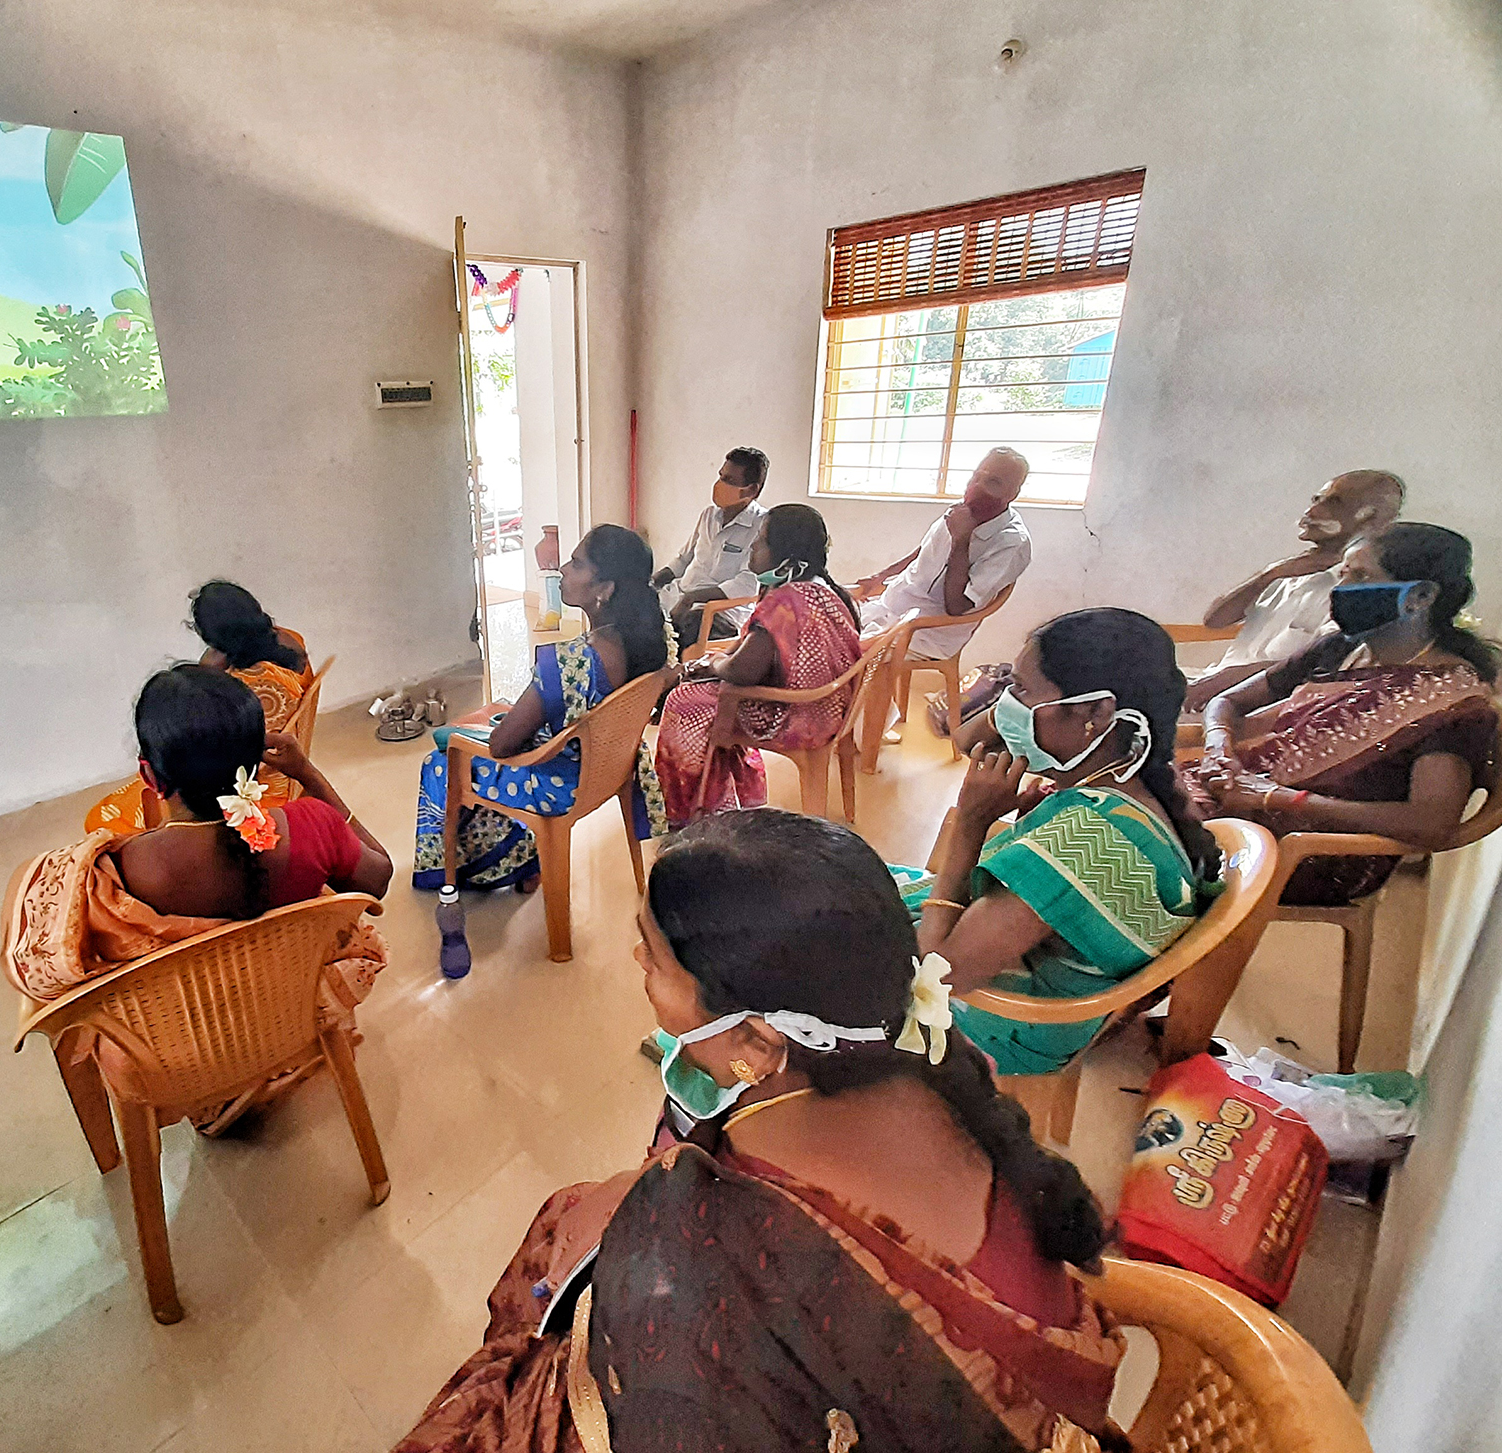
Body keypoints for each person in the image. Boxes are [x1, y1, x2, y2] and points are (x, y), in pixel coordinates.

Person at [396, 810, 1125, 1453]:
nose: (637, 962)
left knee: (559, 1234)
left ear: (755, 1039)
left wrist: (631, 1221)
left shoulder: (715, 1247)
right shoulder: (929, 1062)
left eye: (655, 958)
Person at [4, 665, 391, 1133]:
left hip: (185, 1050)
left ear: (149, 776)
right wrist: (309, 774)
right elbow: (378, 877)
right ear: (257, 764)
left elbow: (50, 969)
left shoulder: (118, 872)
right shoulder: (312, 826)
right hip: (291, 1015)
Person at [907, 609, 1221, 1076]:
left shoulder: (1086, 840)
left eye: (1021, 690)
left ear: (1096, 712)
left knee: (814, 935)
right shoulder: (1127, 787)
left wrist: (971, 826)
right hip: (1024, 973)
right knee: (839, 878)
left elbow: (935, 980)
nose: (1006, 704)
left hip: (1006, 1028)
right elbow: (970, 739)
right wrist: (1015, 712)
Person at [1191, 522, 1499, 905]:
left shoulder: (1452, 701)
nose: (1342, 589)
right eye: (1344, 574)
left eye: (1362, 577)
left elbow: (1430, 823)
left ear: (1421, 596)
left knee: (1149, 839)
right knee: (1134, 808)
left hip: (1319, 850)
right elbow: (1227, 702)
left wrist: (1279, 799)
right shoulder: (1340, 649)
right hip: (1245, 801)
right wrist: (1219, 749)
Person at [414, 525, 669, 891]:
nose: (562, 569)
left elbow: (502, 746)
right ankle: (518, 861)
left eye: (577, 564)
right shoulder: (646, 642)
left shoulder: (571, 661)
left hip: (558, 785)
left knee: (442, 761)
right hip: (609, 770)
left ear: (605, 589)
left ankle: (470, 869)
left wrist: (471, 732)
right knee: (498, 714)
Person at [655, 503, 863, 825]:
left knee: (683, 701)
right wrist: (718, 663)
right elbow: (760, 650)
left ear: (786, 556)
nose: (753, 546)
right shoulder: (827, 590)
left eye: (762, 540)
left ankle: (686, 814)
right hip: (831, 707)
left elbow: (742, 671)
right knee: (705, 688)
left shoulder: (786, 601)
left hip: (798, 715)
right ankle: (730, 798)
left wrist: (715, 664)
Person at [85, 580, 312, 834]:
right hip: (272, 770)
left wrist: (211, 666)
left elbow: (201, 722)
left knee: (104, 816)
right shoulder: (290, 641)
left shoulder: (244, 687)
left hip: (243, 785)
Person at [1184, 469, 1405, 711]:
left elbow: (1324, 665)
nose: (1312, 511)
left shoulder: (1360, 589)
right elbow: (1214, 621)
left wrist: (1228, 682)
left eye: (1334, 503)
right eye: (1316, 499)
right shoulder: (1285, 573)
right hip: (1211, 687)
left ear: (1375, 520)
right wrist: (1267, 576)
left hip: (1260, 705)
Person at [856, 447, 1032, 662]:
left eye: (993, 482)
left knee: (840, 657)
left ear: (1012, 494)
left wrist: (961, 540)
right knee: (823, 631)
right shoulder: (961, 510)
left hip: (926, 633)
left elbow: (957, 606)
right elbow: (925, 550)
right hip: (888, 608)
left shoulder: (1012, 543)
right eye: (976, 476)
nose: (977, 486)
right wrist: (880, 577)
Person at [652, 447, 770, 653]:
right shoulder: (708, 516)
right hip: (682, 599)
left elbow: (746, 584)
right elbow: (683, 560)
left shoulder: (761, 525)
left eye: (729, 481)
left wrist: (693, 598)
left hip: (722, 613)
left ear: (751, 490)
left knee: (684, 629)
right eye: (721, 477)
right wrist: (651, 582)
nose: (720, 485)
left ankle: (671, 673)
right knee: (636, 614)